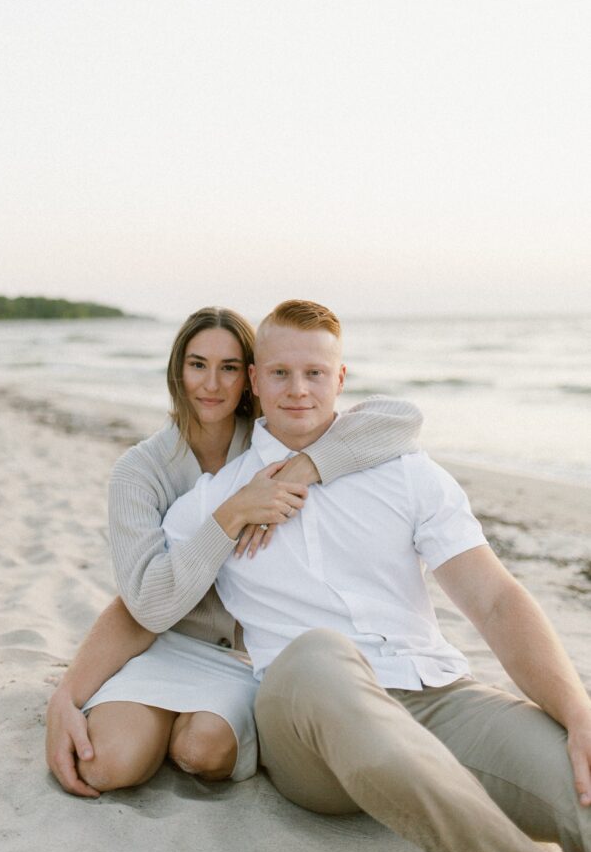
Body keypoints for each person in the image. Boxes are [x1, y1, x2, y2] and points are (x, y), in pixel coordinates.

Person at [163, 299, 591, 852]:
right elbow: (151, 601)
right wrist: (73, 695)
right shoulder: (217, 500)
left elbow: (495, 600)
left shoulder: (406, 472)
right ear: (254, 381)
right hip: (306, 723)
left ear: (340, 379)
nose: (298, 390)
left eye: (315, 373)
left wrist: (577, 712)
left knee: (577, 777)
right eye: (280, 373)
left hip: (435, 696)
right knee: (319, 653)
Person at [45, 306, 423, 796]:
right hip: (165, 640)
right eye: (197, 365)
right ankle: (147, 720)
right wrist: (232, 513)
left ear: (250, 377)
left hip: (250, 654)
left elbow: (401, 421)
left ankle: (187, 727)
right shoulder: (139, 472)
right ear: (177, 370)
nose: (212, 384)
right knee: (105, 766)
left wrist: (307, 466)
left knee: (200, 750)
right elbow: (143, 601)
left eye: (228, 368)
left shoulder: (277, 438)